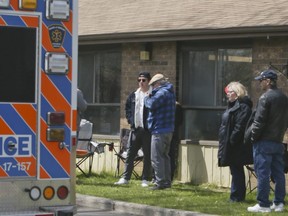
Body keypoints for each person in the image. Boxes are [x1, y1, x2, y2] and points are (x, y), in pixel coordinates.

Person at [247, 69, 288, 213]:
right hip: (278, 141)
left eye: (261, 80)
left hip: (264, 141)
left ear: (268, 81)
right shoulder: (284, 97)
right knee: (278, 174)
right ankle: (279, 203)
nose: (260, 83)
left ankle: (263, 204)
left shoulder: (265, 98)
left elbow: (259, 121)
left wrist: (253, 137)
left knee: (263, 173)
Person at [114, 71, 152, 187]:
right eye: (139, 80)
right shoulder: (134, 95)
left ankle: (145, 179)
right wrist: (131, 121)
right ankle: (125, 178)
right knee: (130, 153)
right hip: (135, 129)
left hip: (147, 130)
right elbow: (128, 109)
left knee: (147, 155)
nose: (141, 82)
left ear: (148, 81)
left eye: (143, 80)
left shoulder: (152, 95)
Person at [218, 81, 253, 202]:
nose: (227, 94)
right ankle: (235, 195)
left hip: (237, 145)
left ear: (237, 94)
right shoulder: (232, 106)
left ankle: (237, 196)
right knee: (234, 170)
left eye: (230, 92)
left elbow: (240, 126)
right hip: (230, 143)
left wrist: (232, 140)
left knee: (236, 169)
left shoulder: (243, 107)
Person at [144, 73, 176, 190]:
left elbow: (151, 104)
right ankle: (166, 182)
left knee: (156, 157)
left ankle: (160, 182)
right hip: (168, 130)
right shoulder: (170, 92)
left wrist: (147, 97)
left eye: (152, 85)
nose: (152, 87)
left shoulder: (162, 92)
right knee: (165, 157)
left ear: (157, 83)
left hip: (159, 129)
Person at [169, 101, 183, 181]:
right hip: (174, 133)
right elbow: (180, 121)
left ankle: (164, 176)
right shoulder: (178, 106)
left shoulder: (174, 106)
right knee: (171, 156)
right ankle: (170, 177)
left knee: (165, 155)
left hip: (167, 133)